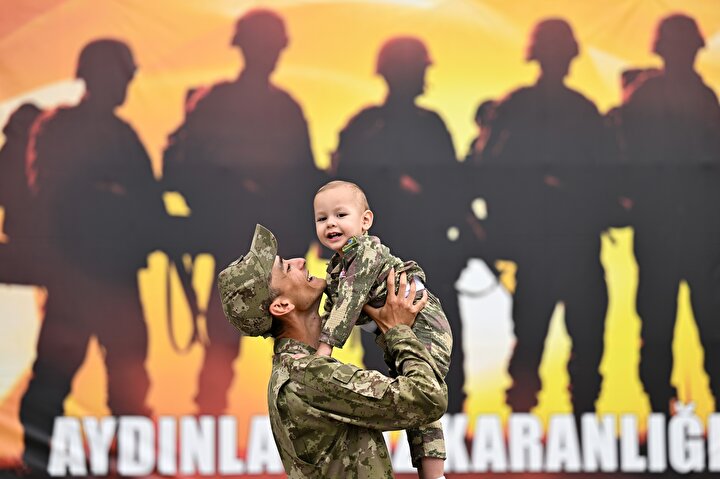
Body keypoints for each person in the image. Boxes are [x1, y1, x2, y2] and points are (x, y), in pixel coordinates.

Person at [162, 8, 322, 414]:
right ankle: (212, 422)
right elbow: (182, 170)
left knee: (280, 348)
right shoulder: (229, 104)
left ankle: (221, 420)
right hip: (237, 245)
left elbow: (303, 180)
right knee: (226, 347)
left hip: (263, 249)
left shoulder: (260, 106)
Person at [20, 39, 163, 472]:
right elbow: (52, 197)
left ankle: (102, 460)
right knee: (65, 373)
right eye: (121, 76)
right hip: (82, 276)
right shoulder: (67, 130)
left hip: (98, 276)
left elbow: (148, 204)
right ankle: (42, 461)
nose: (124, 85)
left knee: (123, 377)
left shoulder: (110, 135)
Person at [217, 224, 448, 478]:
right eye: (287, 268)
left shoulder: (297, 370)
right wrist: (397, 330)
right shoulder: (308, 375)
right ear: (282, 306)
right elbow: (428, 397)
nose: (301, 261)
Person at [474, 18, 613, 418]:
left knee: (554, 342)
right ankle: (562, 423)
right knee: (552, 342)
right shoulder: (577, 110)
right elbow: (490, 175)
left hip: (555, 247)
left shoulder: (522, 107)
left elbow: (486, 173)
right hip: (554, 247)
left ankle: (547, 421)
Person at [332, 36, 466, 414]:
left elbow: (453, 193)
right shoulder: (377, 128)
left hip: (413, 265)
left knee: (432, 366)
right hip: (387, 269)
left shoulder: (375, 126)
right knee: (390, 369)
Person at [313, 180, 451, 478]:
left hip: (426, 327)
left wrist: (322, 351)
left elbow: (349, 301)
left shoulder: (365, 252)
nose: (330, 224)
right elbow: (333, 308)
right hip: (398, 332)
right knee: (415, 399)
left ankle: (435, 474)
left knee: (421, 394)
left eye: (340, 215)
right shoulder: (337, 265)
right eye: (322, 218)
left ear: (365, 221)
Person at [620, 13, 720, 413]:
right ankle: (661, 406)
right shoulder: (690, 97)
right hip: (675, 232)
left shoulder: (692, 97)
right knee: (664, 327)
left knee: (692, 328)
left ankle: (663, 407)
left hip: (687, 233)